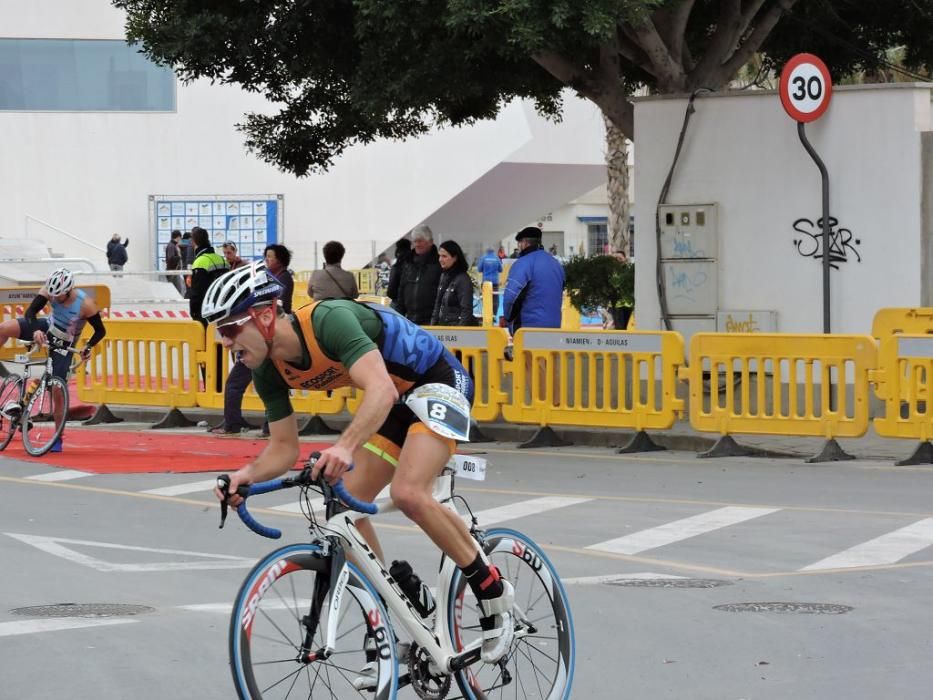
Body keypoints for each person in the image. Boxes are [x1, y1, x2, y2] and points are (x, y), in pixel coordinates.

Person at [207, 263, 514, 672]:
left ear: (264, 316)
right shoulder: (265, 368)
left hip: (436, 381)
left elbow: (382, 388)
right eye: (216, 331)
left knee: (408, 493)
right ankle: (398, 603)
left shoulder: (327, 321)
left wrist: (345, 447)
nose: (223, 340)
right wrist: (244, 476)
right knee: (347, 508)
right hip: (392, 405)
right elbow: (282, 447)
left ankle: (492, 591)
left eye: (228, 328)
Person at [0, 268, 106, 453]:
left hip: (65, 342)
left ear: (69, 290)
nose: (54, 299)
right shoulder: (50, 289)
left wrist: (87, 347)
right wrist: (35, 331)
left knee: (58, 389)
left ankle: (58, 437)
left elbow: (100, 330)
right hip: (47, 327)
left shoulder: (86, 304)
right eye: (52, 295)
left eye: (59, 296)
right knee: (3, 328)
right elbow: (31, 312)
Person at [215, 244, 294, 436]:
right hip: (263, 335)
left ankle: (236, 423)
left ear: (280, 259)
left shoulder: (281, 279)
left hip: (264, 337)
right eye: (266, 257)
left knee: (240, 383)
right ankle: (257, 425)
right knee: (267, 384)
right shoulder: (269, 277)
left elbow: (275, 305)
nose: (267, 261)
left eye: (271, 257)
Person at [503, 226, 565, 333]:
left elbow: (511, 298)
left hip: (528, 329)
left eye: (519, 243)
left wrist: (508, 318)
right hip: (555, 327)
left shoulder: (523, 264)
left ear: (525, 243)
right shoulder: (556, 264)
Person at [392, 225, 441, 325]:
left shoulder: (438, 264)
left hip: (431, 321)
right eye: (415, 241)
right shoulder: (408, 263)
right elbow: (402, 291)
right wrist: (398, 317)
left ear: (430, 242)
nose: (417, 244)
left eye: (420, 241)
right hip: (409, 320)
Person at [188, 227, 230, 327]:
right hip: (222, 310)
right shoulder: (222, 259)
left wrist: (194, 313)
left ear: (194, 242)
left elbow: (197, 293)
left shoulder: (200, 261)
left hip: (205, 313)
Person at [431, 240, 476, 326]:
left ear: (455, 258)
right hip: (443, 329)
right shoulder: (443, 276)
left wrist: (459, 334)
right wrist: (433, 327)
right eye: (439, 256)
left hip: (455, 331)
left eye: (444, 256)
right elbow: (437, 305)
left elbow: (466, 311)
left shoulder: (463, 279)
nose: (440, 259)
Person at [476, 246, 503, 315]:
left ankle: (487, 315)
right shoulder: (497, 258)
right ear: (493, 251)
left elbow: (479, 269)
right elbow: (501, 270)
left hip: (486, 282)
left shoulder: (483, 258)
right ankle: (494, 314)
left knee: (485, 298)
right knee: (495, 298)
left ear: (486, 251)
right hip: (495, 282)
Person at [386, 238, 412, 309]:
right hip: (411, 302)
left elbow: (391, 289)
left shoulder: (397, 266)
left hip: (397, 302)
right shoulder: (413, 265)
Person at [164, 230, 185, 296]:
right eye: (180, 238)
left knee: (178, 290)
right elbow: (171, 258)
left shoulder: (173, 245)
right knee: (178, 291)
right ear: (178, 237)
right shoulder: (171, 246)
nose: (180, 240)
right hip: (173, 271)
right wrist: (179, 257)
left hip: (174, 271)